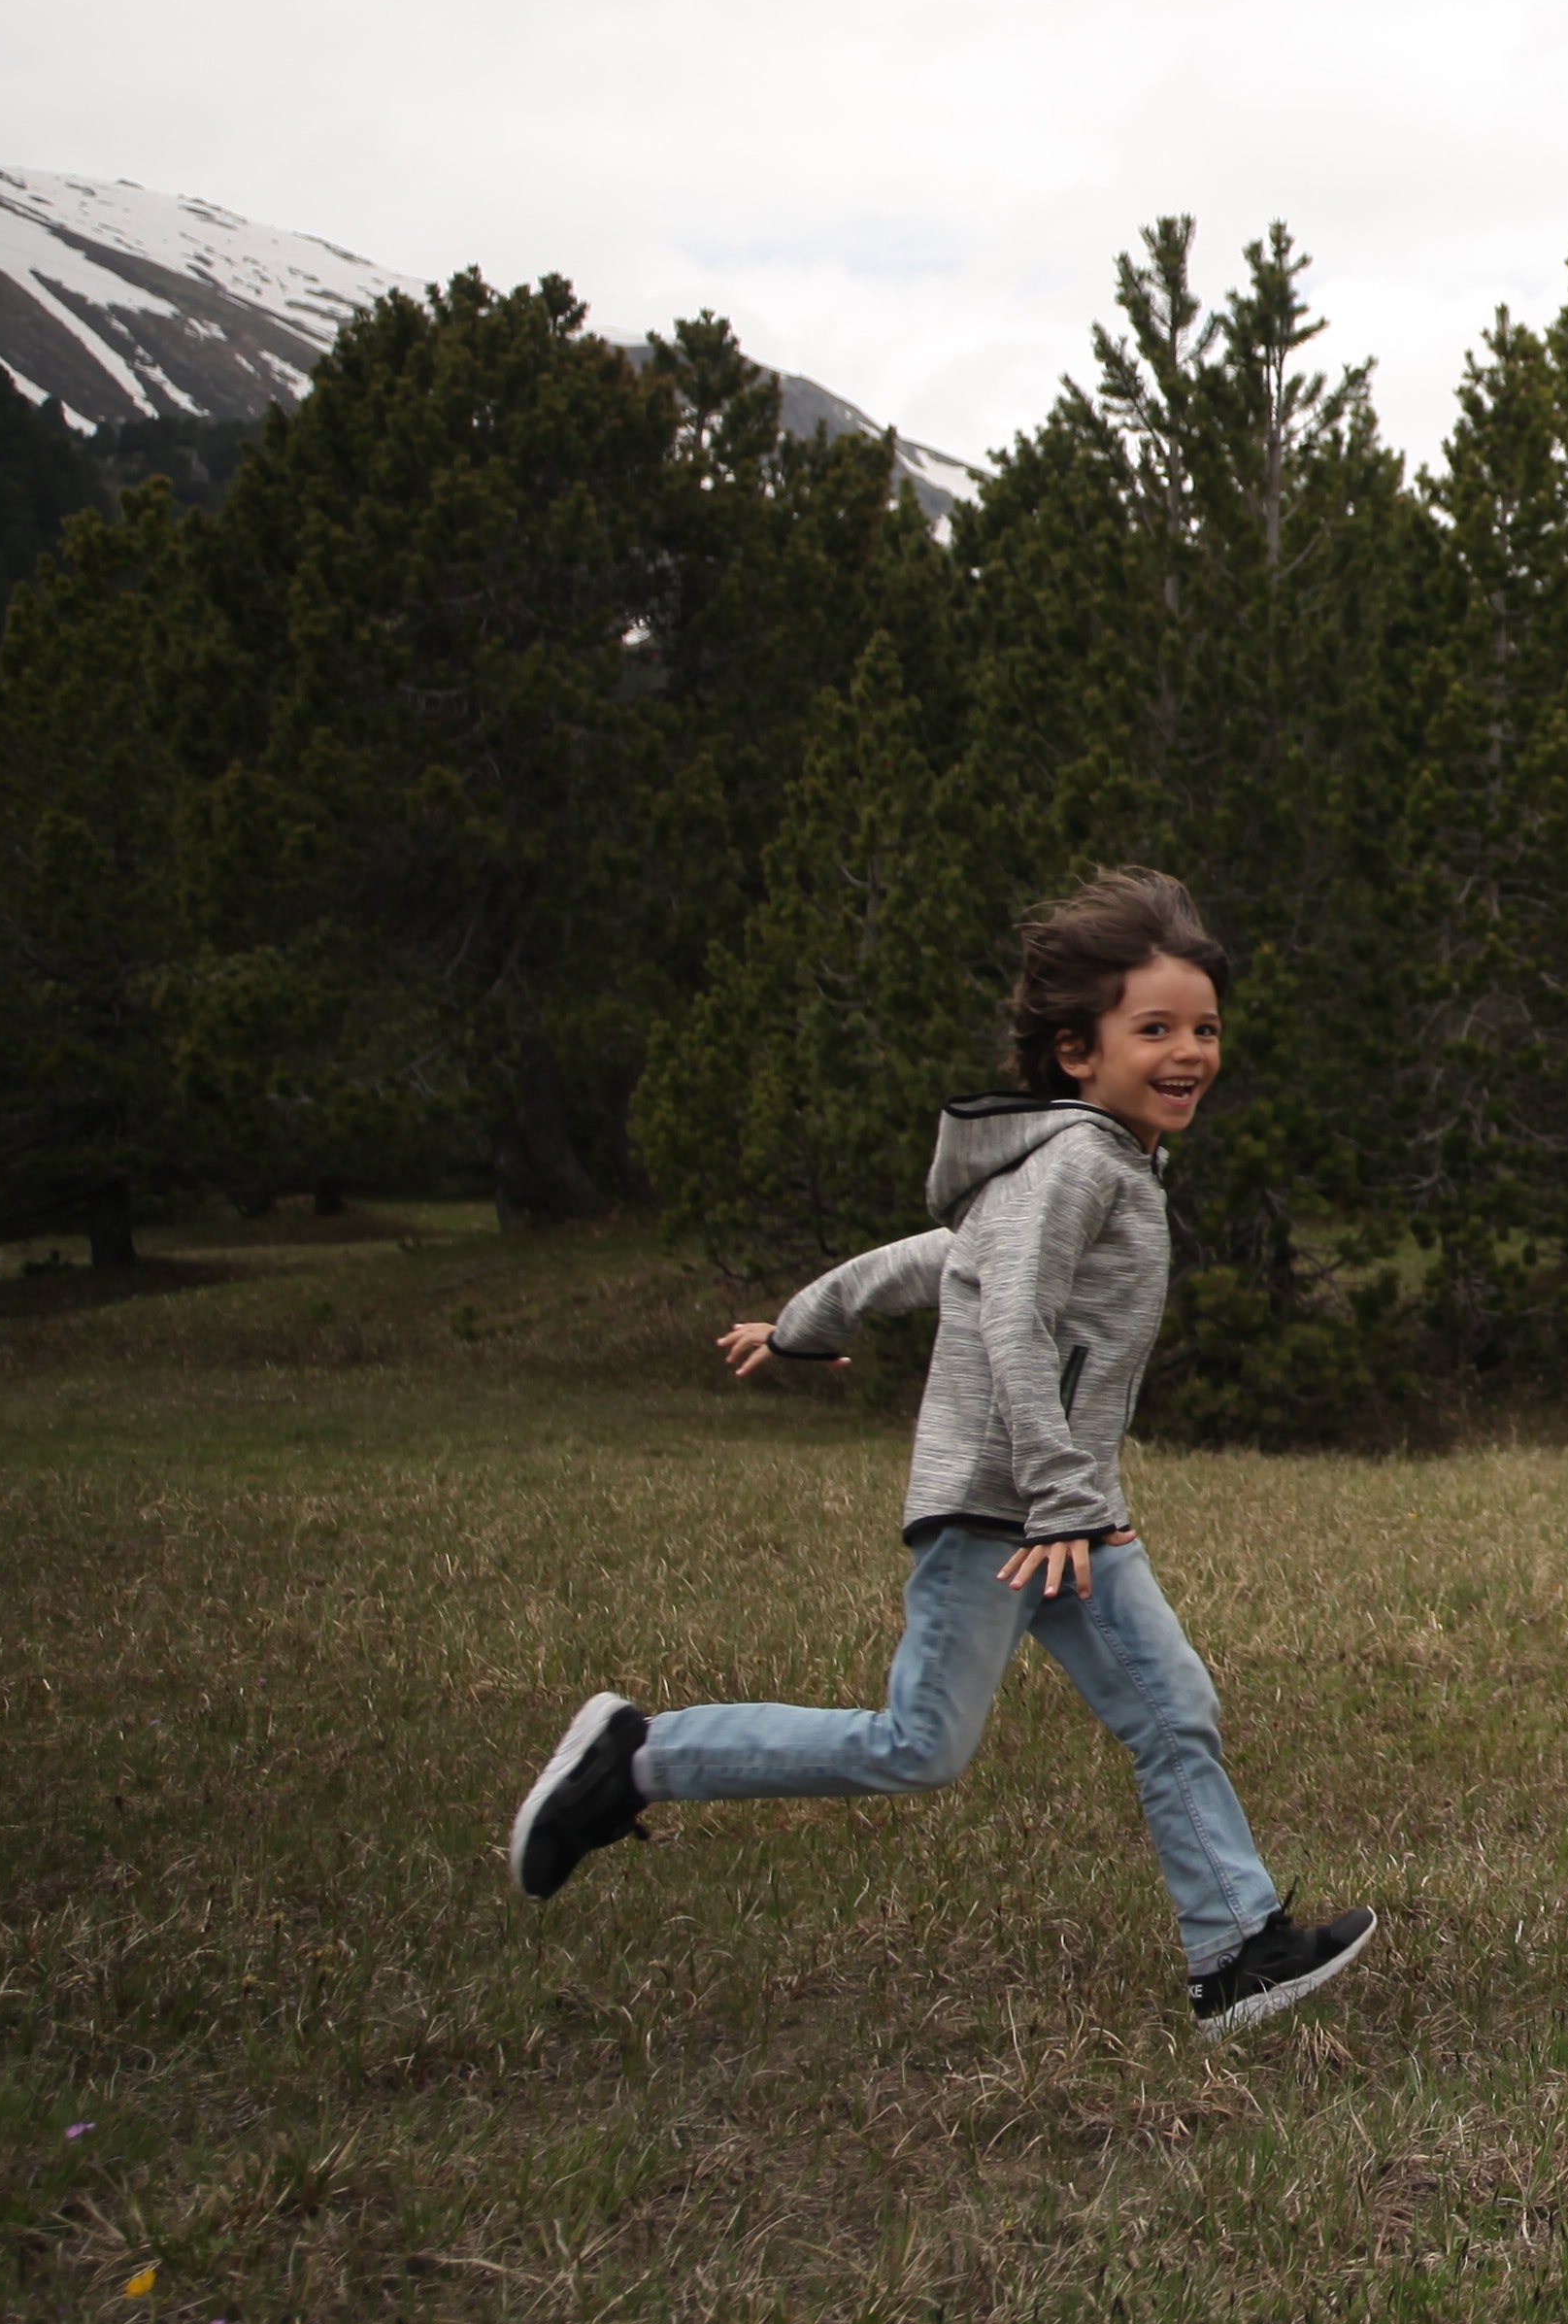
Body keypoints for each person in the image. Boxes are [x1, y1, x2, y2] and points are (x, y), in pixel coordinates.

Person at [503, 865, 1380, 2034]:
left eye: (1205, 1029)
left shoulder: (1094, 1163)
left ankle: (1235, 1952)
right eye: (1155, 1028)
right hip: (1004, 1511)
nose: (1189, 1052)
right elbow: (1010, 1315)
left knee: (1173, 1708)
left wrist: (806, 1324)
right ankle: (637, 1758)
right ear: (1077, 1051)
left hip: (1064, 1515)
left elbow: (937, 1260)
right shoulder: (1075, 1164)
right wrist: (1066, 1499)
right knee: (918, 1744)